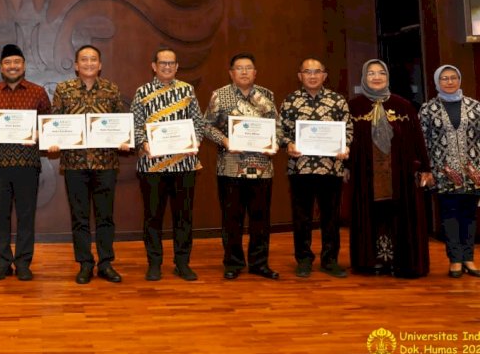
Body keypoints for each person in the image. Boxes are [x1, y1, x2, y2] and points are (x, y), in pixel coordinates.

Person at [49, 45, 129, 284]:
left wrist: (124, 140)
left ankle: (106, 263)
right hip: (74, 164)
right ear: (76, 65)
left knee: (105, 216)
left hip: (106, 163)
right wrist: (54, 142)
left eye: (93, 59)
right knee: (80, 217)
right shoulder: (63, 90)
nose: (88, 63)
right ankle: (85, 263)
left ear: (100, 64)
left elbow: (120, 123)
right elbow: (55, 120)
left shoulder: (111, 89)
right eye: (84, 60)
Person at [348, 59, 432, 278]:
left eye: (381, 73)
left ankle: (400, 261)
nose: (376, 77)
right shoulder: (353, 107)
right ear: (364, 77)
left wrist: (425, 167)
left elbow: (417, 139)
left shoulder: (404, 105)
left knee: (400, 215)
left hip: (400, 174)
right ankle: (371, 261)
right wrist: (345, 166)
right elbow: (344, 141)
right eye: (371, 73)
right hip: (366, 174)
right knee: (371, 214)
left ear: (387, 77)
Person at [131, 47, 207, 282]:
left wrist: (194, 142)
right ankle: (154, 264)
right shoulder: (142, 92)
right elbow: (134, 127)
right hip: (152, 166)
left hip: (184, 165)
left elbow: (199, 124)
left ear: (177, 66)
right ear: (154, 66)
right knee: (153, 217)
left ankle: (182, 263)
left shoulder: (187, 90)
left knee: (183, 217)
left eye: (171, 63)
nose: (167, 67)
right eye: (162, 63)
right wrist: (145, 146)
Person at [204, 53, 279, 280]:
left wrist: (274, 142)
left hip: (262, 167)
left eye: (249, 68)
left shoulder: (267, 95)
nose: (244, 72)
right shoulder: (220, 95)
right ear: (231, 73)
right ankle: (233, 263)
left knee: (261, 219)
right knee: (231, 219)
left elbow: (278, 126)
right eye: (239, 68)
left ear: (255, 72)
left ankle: (259, 263)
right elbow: (206, 126)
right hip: (230, 167)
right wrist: (225, 141)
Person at [0, 44, 50, 281]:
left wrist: (40, 134)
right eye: (8, 63)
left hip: (28, 164)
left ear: (24, 66)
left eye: (16, 62)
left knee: (26, 216)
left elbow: (48, 123)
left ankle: (23, 263)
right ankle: (2, 262)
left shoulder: (38, 92)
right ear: (1, 67)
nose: (12, 66)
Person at [278, 58, 353, 278]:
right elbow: (280, 130)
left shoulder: (337, 101)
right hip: (300, 168)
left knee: (331, 217)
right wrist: (287, 144)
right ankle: (303, 260)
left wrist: (345, 146)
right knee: (302, 217)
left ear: (324, 75)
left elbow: (348, 129)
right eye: (307, 72)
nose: (312, 76)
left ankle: (330, 260)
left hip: (331, 169)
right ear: (300, 75)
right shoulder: (290, 101)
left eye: (317, 71)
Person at [419, 64, 480, 278]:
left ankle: (469, 258)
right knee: (450, 215)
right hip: (443, 173)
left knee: (470, 215)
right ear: (437, 82)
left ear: (460, 79)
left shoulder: (475, 107)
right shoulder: (428, 109)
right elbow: (422, 142)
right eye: (444, 78)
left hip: (473, 173)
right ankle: (455, 259)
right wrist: (426, 171)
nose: (450, 81)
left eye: (454, 77)